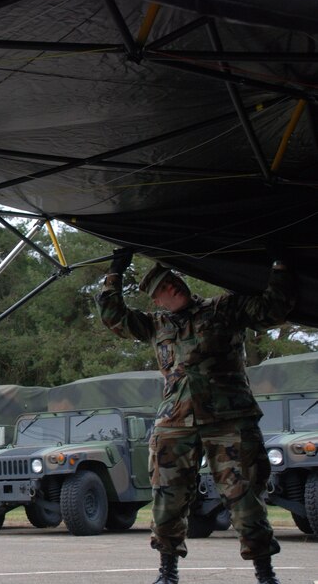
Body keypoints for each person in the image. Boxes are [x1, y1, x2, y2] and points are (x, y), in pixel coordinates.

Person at [96, 249, 295, 584]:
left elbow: (272, 309)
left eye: (166, 289)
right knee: (168, 498)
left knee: (244, 496)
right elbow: (113, 316)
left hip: (228, 420)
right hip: (176, 423)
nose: (164, 296)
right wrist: (115, 272)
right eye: (159, 294)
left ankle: (265, 573)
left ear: (178, 285)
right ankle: (167, 572)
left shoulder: (223, 309)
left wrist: (279, 264)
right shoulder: (154, 325)